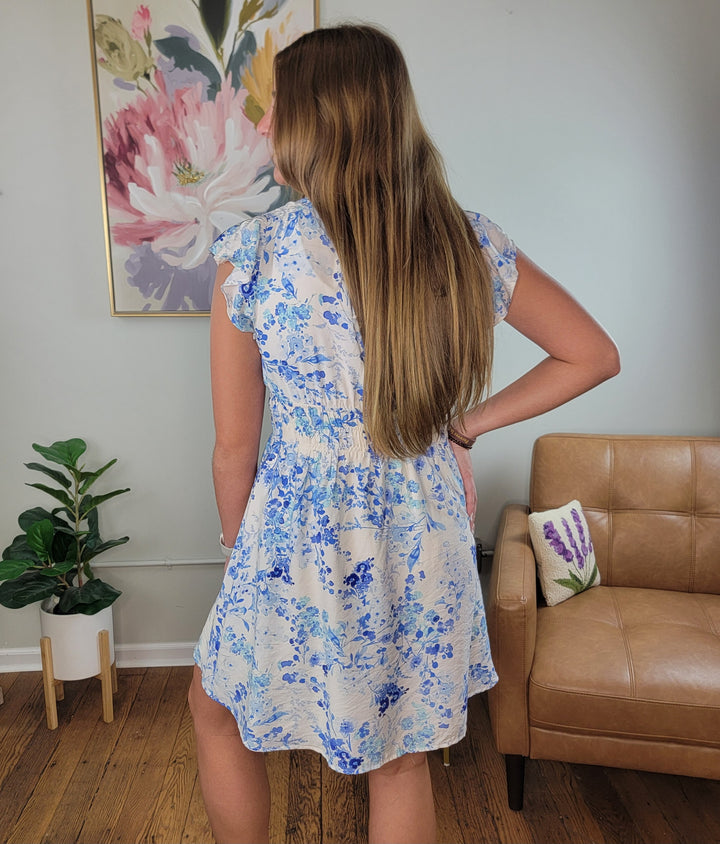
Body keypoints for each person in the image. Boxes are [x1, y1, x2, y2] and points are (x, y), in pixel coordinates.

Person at [188, 23, 620, 844]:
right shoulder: (466, 240)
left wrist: (235, 548)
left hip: (294, 535)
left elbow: (233, 450)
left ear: (318, 119)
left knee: (215, 710)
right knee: (402, 757)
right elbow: (592, 354)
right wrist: (463, 430)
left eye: (278, 104)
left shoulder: (256, 256)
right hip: (421, 530)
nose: (269, 122)